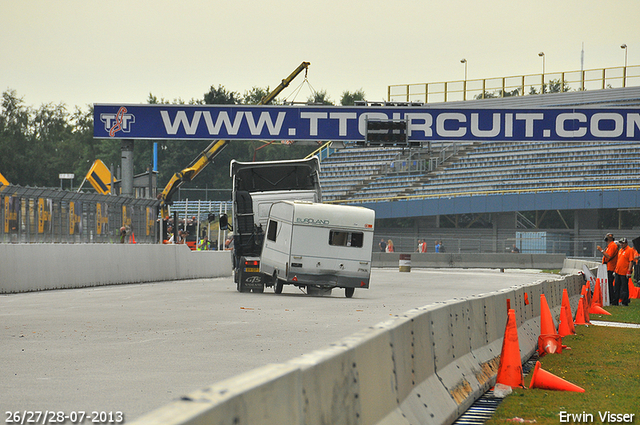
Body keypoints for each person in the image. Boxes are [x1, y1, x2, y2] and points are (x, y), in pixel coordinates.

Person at [597, 233, 618, 304]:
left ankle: (612, 299)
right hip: (608, 267)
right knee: (608, 284)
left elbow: (609, 256)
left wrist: (601, 250)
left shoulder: (612, 246)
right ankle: (610, 298)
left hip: (611, 267)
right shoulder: (610, 246)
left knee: (610, 284)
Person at [613, 238, 633, 306]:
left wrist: (629, 271)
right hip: (618, 271)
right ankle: (615, 301)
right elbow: (618, 260)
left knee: (624, 287)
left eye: (623, 243)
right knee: (616, 287)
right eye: (621, 243)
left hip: (624, 272)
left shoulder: (629, 250)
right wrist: (615, 269)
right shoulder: (620, 250)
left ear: (626, 243)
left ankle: (625, 301)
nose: (621, 244)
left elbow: (631, 261)